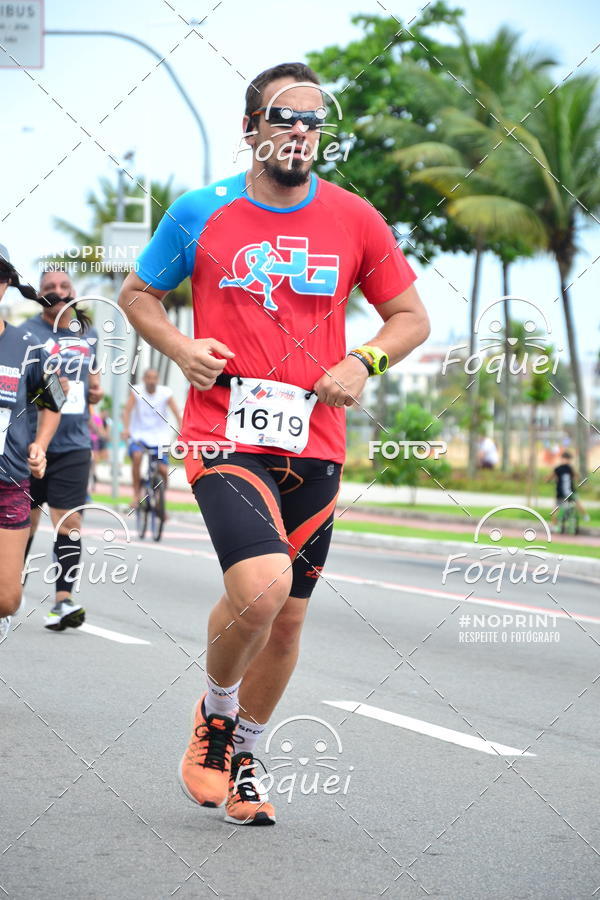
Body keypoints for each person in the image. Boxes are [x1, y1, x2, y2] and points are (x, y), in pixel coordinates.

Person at [119, 62, 430, 826]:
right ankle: (215, 719)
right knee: (260, 587)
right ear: (251, 128)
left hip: (315, 440)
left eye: (314, 121)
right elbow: (136, 294)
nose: (301, 131)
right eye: (285, 117)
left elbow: (410, 317)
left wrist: (364, 360)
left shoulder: (356, 218)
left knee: (287, 617)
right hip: (222, 431)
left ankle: (247, 756)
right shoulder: (200, 212)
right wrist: (180, 348)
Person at [21, 269, 103, 631]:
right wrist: (49, 388)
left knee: (69, 524)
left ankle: (63, 600)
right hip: (28, 445)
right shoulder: (25, 334)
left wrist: (95, 392)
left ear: (74, 292)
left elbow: (94, 382)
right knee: (22, 523)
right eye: (49, 288)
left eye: (63, 287)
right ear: (39, 295)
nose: (57, 292)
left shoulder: (89, 334)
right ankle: (10, 590)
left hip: (74, 444)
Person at [0, 246, 64, 643]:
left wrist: (39, 445)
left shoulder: (26, 346)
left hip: (9, 480)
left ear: (5, 283)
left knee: (7, 599)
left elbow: (54, 400)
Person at [121, 367, 182, 507]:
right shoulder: (137, 391)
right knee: (137, 456)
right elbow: (127, 411)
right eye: (148, 377)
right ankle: (136, 495)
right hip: (139, 435)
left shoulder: (165, 393)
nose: (151, 381)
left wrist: (181, 431)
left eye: (154, 378)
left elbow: (177, 413)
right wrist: (125, 429)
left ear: (158, 380)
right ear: (144, 379)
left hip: (160, 438)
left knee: (163, 470)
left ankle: (161, 502)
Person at [547, 450, 587, 525]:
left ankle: (554, 525)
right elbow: (577, 477)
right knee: (577, 502)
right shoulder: (570, 468)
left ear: (561, 459)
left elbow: (549, 478)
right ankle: (585, 516)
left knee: (555, 509)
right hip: (571, 492)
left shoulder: (558, 469)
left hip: (560, 493)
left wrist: (548, 480)